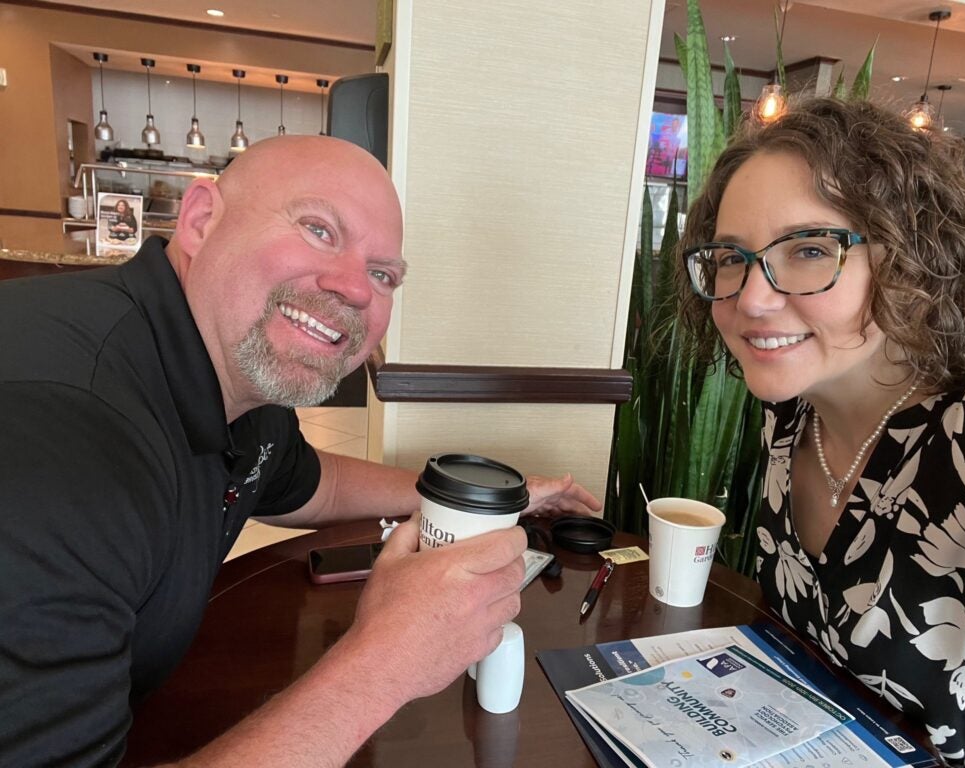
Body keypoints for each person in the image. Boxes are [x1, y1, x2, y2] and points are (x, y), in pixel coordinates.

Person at [0, 136, 601, 766]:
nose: (356, 290)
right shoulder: (64, 440)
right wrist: (389, 656)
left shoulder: (238, 386)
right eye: (318, 229)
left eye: (382, 274)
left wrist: (497, 500)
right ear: (203, 220)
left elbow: (316, 484)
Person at [676, 98, 965, 767]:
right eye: (730, 257)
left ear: (910, 260)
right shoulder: (792, 416)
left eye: (810, 249)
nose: (750, 298)